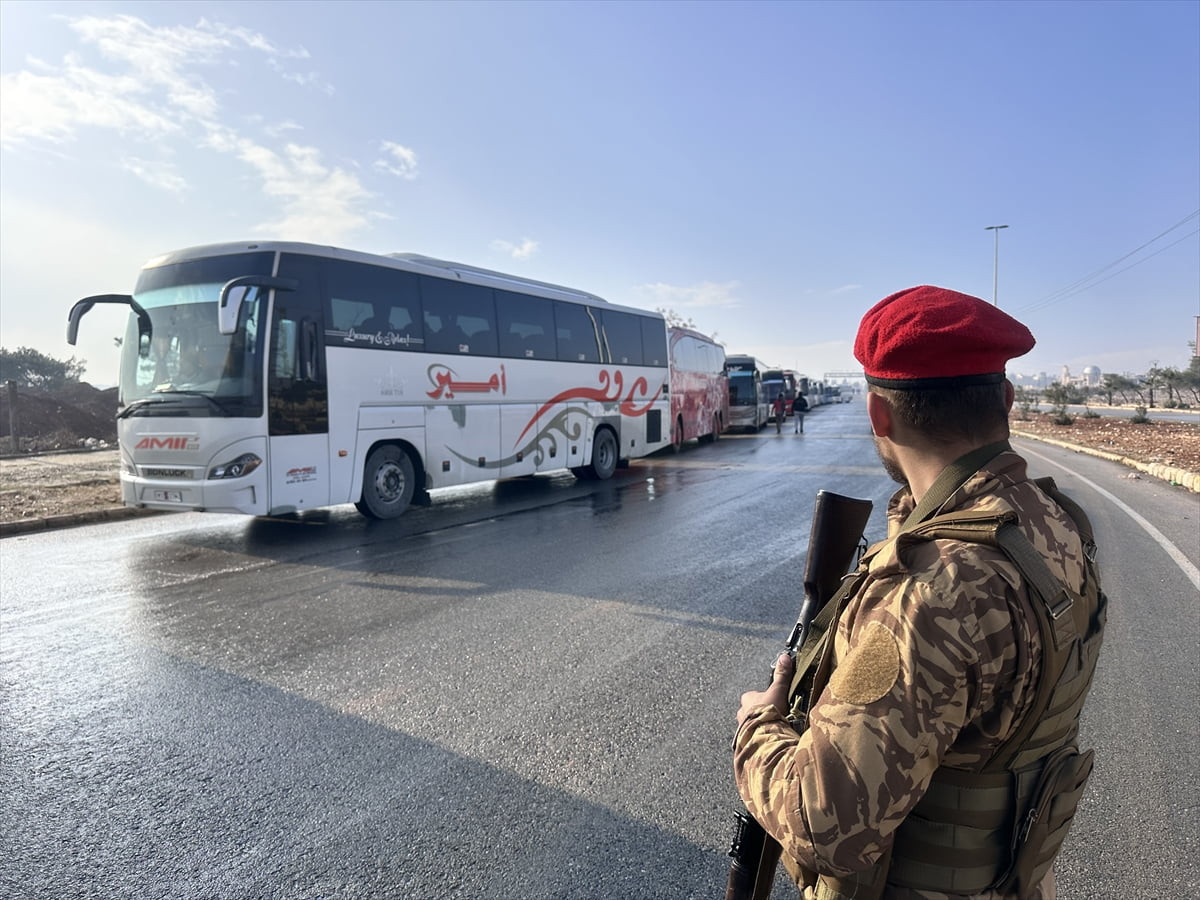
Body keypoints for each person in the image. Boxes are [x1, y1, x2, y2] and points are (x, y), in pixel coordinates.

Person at [733, 286, 1106, 899]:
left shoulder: (930, 591)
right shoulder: (1057, 522)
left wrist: (759, 726)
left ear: (880, 415)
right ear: (1006, 399)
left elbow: (825, 825)